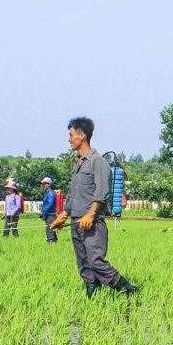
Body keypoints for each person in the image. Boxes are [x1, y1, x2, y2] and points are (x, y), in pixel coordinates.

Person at [48, 117, 138, 298]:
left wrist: (90, 214)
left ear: (81, 136)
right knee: (83, 263)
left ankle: (129, 291)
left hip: (92, 222)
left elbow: (102, 191)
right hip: (76, 221)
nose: (69, 139)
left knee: (96, 261)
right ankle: (93, 298)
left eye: (71, 135)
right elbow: (73, 193)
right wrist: (63, 215)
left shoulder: (97, 161)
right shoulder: (78, 163)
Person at [39, 177, 58, 243]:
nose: (43, 185)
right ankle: (55, 245)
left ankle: (50, 244)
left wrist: (43, 212)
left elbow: (50, 204)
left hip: (51, 215)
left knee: (49, 231)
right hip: (48, 215)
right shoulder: (47, 193)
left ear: (49, 184)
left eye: (45, 184)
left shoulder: (50, 193)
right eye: (42, 184)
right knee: (52, 231)